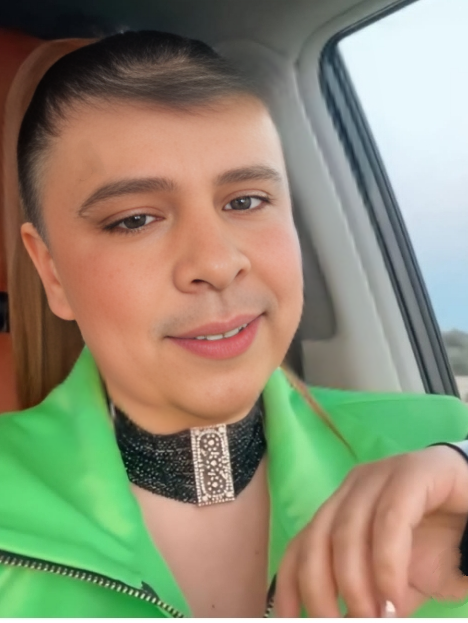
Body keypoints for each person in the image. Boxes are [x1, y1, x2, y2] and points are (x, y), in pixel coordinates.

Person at [1, 29, 468, 618]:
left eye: (245, 201)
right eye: (135, 219)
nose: (218, 264)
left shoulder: (440, 443)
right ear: (52, 272)